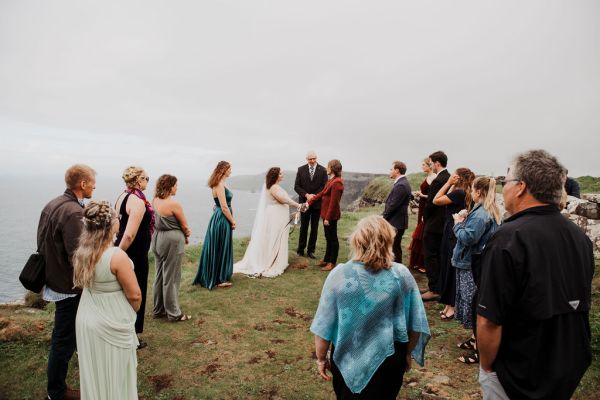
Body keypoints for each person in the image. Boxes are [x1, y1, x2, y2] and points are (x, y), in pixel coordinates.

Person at [477, 150, 594, 400]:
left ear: (520, 187)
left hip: (517, 372)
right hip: (563, 368)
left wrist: (487, 367)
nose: (503, 189)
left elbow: (489, 319)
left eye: (505, 182)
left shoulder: (509, 238)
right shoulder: (579, 237)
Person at [311, 215, 430, 399]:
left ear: (357, 240)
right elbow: (416, 324)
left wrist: (320, 358)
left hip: (347, 358)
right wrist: (407, 354)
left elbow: (323, 325)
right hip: (390, 362)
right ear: (389, 240)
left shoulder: (339, 274)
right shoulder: (401, 275)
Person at [37, 164, 96, 400]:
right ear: (82, 184)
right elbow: (77, 255)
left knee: (65, 335)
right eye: (92, 182)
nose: (94, 186)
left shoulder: (53, 204)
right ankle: (56, 392)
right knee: (63, 339)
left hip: (53, 276)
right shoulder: (73, 212)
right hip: (66, 284)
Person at [73, 201, 141, 399]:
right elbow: (135, 295)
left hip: (87, 317)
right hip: (111, 317)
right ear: (111, 225)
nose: (119, 221)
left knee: (94, 368)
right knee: (117, 371)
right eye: (117, 218)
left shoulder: (82, 252)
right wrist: (130, 311)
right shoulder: (116, 255)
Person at [451, 176, 501, 365]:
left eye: (472, 189)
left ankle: (480, 348)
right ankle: (475, 338)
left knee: (474, 304)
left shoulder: (481, 214)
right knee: (473, 301)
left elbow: (469, 238)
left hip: (471, 262)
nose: (470, 192)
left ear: (479, 192)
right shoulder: (485, 210)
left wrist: (458, 223)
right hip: (475, 261)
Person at [234, 167, 304, 277]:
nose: (282, 175)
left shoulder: (273, 186)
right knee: (275, 237)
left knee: (275, 237)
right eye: (280, 174)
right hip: (276, 216)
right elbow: (283, 199)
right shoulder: (274, 187)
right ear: (275, 175)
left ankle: (275, 259)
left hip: (276, 214)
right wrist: (298, 205)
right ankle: (273, 262)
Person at [115, 166, 154, 349]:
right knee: (136, 293)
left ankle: (124, 331)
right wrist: (119, 253)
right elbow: (129, 234)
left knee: (122, 293)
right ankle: (132, 337)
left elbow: (117, 224)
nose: (148, 181)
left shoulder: (122, 196)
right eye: (147, 178)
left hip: (127, 251)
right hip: (133, 254)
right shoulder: (137, 202)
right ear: (138, 180)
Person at [433, 168, 475, 320]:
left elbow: (436, 200)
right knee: (447, 266)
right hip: (451, 231)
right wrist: (452, 184)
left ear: (459, 178)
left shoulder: (459, 193)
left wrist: (448, 183)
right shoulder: (463, 192)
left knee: (450, 268)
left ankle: (452, 306)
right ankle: (448, 304)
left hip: (452, 233)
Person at [151, 174, 192, 322]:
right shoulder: (174, 204)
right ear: (169, 187)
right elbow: (185, 226)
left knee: (159, 275)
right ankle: (174, 313)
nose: (177, 188)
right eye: (175, 185)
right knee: (172, 277)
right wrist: (187, 235)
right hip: (171, 240)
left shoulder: (155, 201)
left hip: (157, 238)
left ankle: (158, 310)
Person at [193, 161, 235, 289]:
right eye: (229, 168)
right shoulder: (219, 185)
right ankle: (218, 278)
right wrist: (233, 221)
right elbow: (223, 206)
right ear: (223, 170)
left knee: (220, 244)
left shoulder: (220, 184)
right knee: (220, 245)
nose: (231, 171)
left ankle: (219, 275)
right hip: (222, 218)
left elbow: (218, 204)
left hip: (220, 216)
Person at [422, 151, 450, 301]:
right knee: (438, 256)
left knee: (430, 255)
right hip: (442, 223)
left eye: (431, 162)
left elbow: (431, 203)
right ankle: (437, 285)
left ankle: (434, 289)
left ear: (437, 163)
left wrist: (424, 218)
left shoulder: (439, 180)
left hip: (434, 224)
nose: (431, 165)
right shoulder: (448, 177)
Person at [307, 159, 344, 271]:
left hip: (331, 216)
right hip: (326, 214)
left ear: (332, 168)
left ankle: (332, 262)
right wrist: (309, 201)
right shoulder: (331, 180)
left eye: (328, 167)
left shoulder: (337, 182)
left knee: (333, 239)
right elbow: (322, 193)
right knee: (328, 237)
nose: (326, 168)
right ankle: (326, 259)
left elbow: (334, 202)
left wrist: (327, 218)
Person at [294, 151, 328, 258]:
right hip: (304, 203)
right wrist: (306, 195)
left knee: (314, 228)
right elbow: (296, 186)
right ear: (307, 159)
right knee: (303, 226)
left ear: (316, 158)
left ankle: (311, 251)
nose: (312, 161)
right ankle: (300, 250)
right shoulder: (301, 169)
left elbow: (324, 186)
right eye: (310, 159)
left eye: (314, 158)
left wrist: (315, 196)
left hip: (317, 204)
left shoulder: (323, 170)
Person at [408, 158, 436, 273]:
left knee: (422, 233)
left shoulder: (434, 177)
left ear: (430, 166)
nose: (422, 167)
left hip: (427, 207)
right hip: (422, 206)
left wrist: (422, 195)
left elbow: (433, 196)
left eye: (424, 165)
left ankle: (423, 263)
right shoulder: (428, 177)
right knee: (420, 231)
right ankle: (417, 262)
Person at [382, 161, 412, 263]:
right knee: (394, 247)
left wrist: (382, 218)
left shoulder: (401, 185)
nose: (389, 171)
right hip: (397, 221)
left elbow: (393, 205)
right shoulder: (402, 183)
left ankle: (397, 269)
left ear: (397, 170)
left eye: (391, 169)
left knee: (394, 248)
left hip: (396, 222)